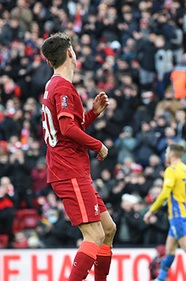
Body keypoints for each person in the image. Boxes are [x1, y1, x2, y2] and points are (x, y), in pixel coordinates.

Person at [40, 32, 116, 281]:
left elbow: (69, 127)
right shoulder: (62, 86)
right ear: (70, 53)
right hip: (68, 170)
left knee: (108, 229)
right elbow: (67, 129)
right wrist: (98, 146)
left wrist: (92, 114)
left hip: (72, 169)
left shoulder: (54, 85)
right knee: (93, 235)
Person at [143, 143, 186, 281]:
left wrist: (151, 211)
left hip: (177, 215)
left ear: (171, 154)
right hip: (185, 214)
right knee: (170, 249)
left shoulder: (171, 170)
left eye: (167, 152)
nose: (165, 155)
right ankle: (160, 278)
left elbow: (165, 193)